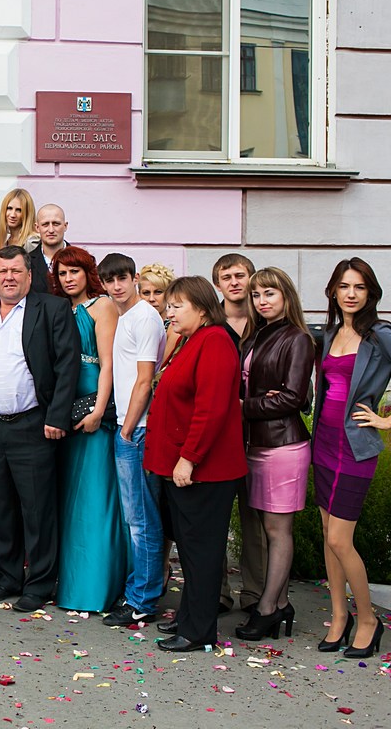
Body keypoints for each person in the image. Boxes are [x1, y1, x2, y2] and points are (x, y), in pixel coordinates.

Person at [311, 258, 391, 658]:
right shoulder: (330, 334)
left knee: (339, 539)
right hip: (323, 443)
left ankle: (367, 620)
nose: (351, 294)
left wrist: (388, 420)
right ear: (333, 291)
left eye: (360, 287)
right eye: (344, 286)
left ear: (370, 293)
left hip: (355, 448)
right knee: (328, 536)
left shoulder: (381, 335)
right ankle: (339, 617)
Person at [0, 246, 78, 612]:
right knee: (0, 509)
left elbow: (67, 365)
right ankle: (8, 577)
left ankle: (39, 583)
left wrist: (57, 417)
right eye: (3, 271)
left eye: (15, 271)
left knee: (37, 509)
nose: (8, 277)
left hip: (33, 425)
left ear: (29, 275)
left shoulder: (51, 309)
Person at [144, 276, 247, 653]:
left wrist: (189, 458)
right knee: (189, 550)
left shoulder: (215, 341)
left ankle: (199, 630)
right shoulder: (191, 340)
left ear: (202, 309)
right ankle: (189, 619)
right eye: (169, 306)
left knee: (201, 552)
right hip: (182, 466)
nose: (169, 312)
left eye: (177, 306)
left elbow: (211, 408)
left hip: (205, 471)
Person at [233, 267, 315, 642]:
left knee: (277, 530)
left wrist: (244, 406)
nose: (262, 301)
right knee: (268, 528)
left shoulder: (298, 338)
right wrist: (257, 400)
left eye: (269, 293)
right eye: (256, 295)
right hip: (255, 443)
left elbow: (293, 398)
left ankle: (268, 608)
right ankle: (280, 603)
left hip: (284, 446)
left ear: (286, 296)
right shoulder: (256, 335)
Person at [49, 246, 126, 612]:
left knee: (95, 495)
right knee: (70, 498)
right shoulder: (58, 309)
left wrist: (98, 410)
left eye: (74, 272)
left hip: (94, 406)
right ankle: (72, 584)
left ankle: (96, 588)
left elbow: (108, 363)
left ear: (87, 274)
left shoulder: (102, 306)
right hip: (64, 409)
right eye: (62, 273)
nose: (68, 279)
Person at [96, 254, 167, 628]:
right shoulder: (126, 317)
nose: (116, 286)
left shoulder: (144, 318)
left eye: (122, 278)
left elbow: (144, 379)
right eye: (110, 280)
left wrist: (128, 428)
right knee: (135, 519)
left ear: (134, 278)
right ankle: (139, 591)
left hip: (137, 429)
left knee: (142, 520)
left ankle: (143, 600)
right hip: (129, 426)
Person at [209, 252, 265, 615]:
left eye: (240, 275)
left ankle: (257, 593)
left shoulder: (267, 321)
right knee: (213, 517)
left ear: (251, 278)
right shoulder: (209, 322)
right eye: (226, 277)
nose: (234, 282)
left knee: (255, 520)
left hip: (260, 431)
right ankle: (217, 593)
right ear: (218, 284)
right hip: (218, 432)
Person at [26, 203, 70, 296]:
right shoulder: (26, 262)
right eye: (45, 224)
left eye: (56, 224)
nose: (51, 230)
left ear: (65, 226)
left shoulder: (83, 260)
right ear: (37, 228)